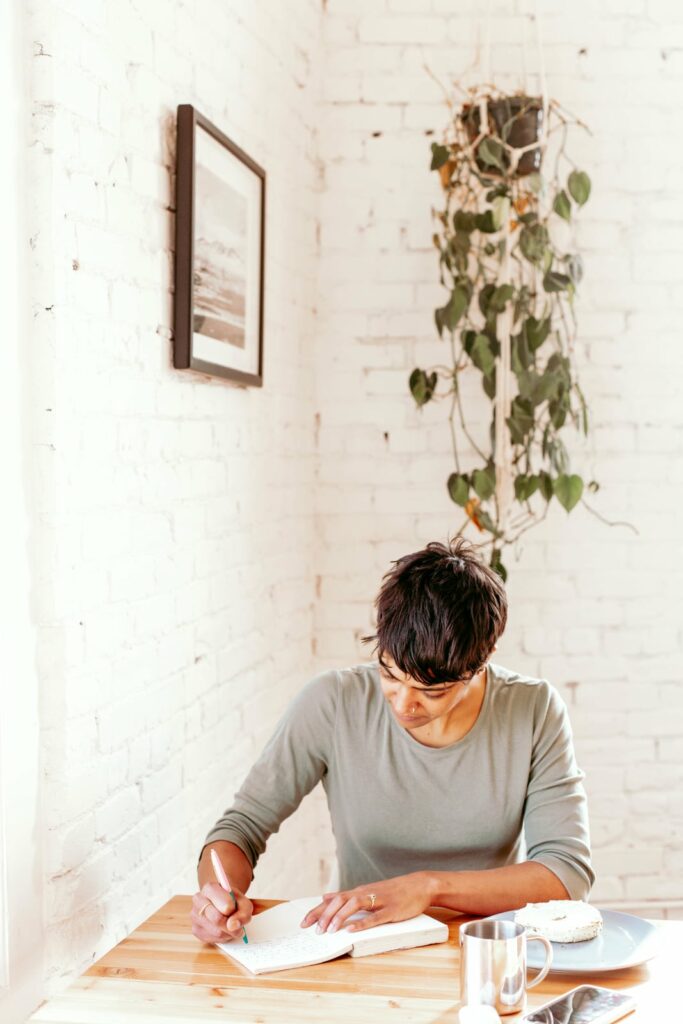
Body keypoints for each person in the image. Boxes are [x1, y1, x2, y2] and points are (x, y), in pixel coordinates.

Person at [191, 539, 593, 946]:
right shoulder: (333, 703)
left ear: (479, 664)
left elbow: (565, 873)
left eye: (431, 692)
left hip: (485, 950)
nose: (404, 704)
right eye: (390, 675)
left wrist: (429, 888)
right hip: (358, 946)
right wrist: (217, 899)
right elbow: (240, 828)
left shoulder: (534, 710)